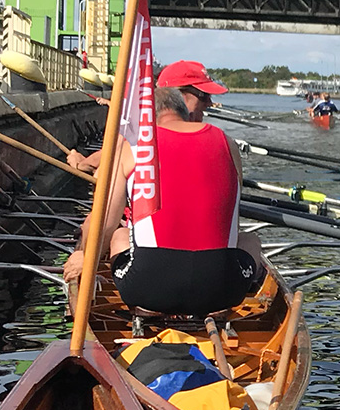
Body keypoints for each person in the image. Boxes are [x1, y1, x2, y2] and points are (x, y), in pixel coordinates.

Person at [61, 60, 266, 315]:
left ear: (147, 116)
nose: (208, 103)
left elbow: (106, 221)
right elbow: (231, 228)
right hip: (222, 292)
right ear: (182, 107)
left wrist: (86, 258)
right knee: (250, 240)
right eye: (203, 96)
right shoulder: (228, 143)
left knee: (119, 236)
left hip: (147, 291)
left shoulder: (134, 147)